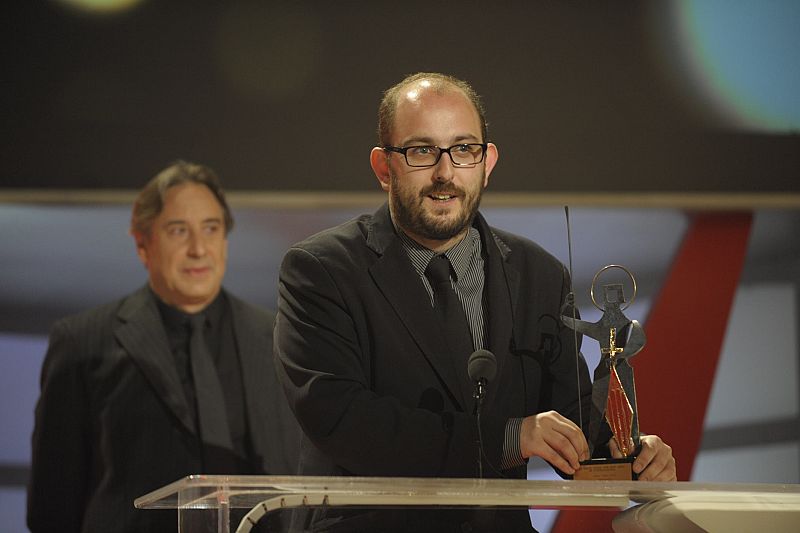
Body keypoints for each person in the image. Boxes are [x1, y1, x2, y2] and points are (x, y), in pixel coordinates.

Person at [274, 73, 676, 532]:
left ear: (487, 162)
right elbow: (342, 419)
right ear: (384, 167)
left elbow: (573, 418)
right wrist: (508, 438)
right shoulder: (322, 271)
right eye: (422, 151)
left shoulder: (538, 275)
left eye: (463, 149)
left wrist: (628, 455)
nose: (445, 173)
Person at [28, 161, 299, 533]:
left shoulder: (277, 337)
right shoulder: (82, 341)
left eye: (211, 228)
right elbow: (52, 504)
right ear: (143, 244)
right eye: (178, 231)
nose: (198, 249)